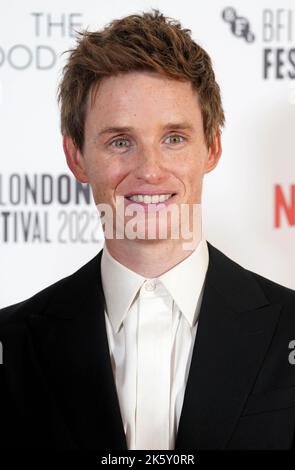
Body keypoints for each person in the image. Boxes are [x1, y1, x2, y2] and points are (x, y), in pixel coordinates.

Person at [0, 9, 295, 451]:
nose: (150, 171)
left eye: (174, 138)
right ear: (76, 157)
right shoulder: (11, 343)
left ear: (211, 147)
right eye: (120, 141)